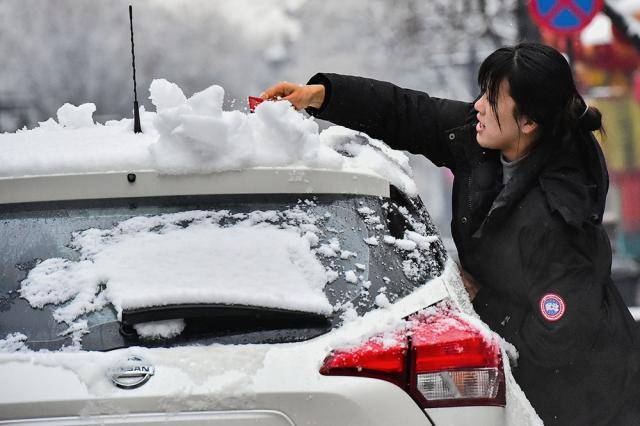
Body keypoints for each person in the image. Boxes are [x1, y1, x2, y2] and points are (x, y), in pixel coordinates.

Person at [261, 42, 640, 425]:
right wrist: (322, 96)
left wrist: (478, 300)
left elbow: (559, 332)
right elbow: (408, 112)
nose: (477, 106)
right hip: (543, 385)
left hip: (592, 397)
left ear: (528, 122)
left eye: (491, 99)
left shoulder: (560, 216)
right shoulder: (481, 142)